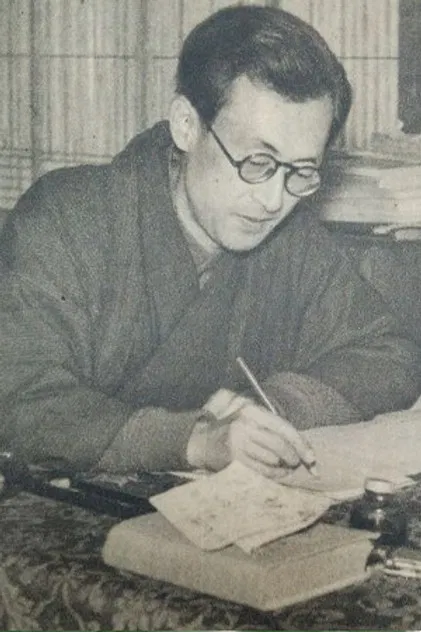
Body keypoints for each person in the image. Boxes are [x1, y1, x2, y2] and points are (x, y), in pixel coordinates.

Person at [0, 5, 419, 480]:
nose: (273, 200)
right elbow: (18, 398)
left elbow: (390, 352)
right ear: (187, 125)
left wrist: (276, 406)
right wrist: (194, 440)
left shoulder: (291, 239)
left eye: (302, 171)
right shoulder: (67, 217)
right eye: (256, 162)